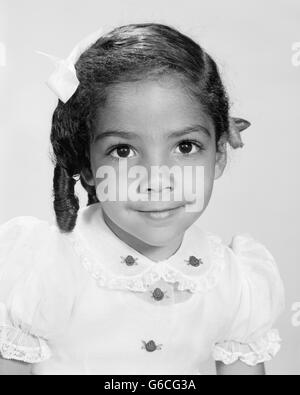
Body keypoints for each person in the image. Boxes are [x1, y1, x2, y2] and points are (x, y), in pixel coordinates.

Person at [0, 23, 285, 375]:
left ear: (219, 154)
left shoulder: (234, 283)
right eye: (123, 150)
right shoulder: (43, 269)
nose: (156, 179)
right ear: (87, 166)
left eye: (185, 147)